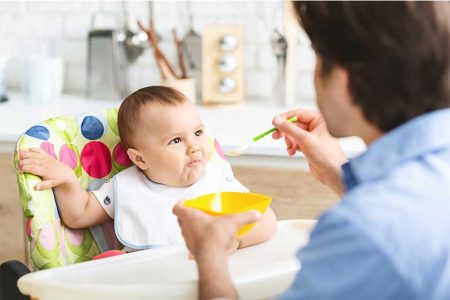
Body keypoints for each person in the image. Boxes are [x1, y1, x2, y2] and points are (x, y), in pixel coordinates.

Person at [173, 2, 450, 299]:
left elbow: (384, 230)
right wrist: (337, 172)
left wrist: (210, 255)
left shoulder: (361, 228)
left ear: (348, 83)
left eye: (317, 62)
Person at [18, 86, 277, 252]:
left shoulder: (216, 177)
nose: (195, 146)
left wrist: (234, 241)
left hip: (212, 281)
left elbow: (262, 218)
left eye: (198, 133)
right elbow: (81, 214)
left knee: (268, 219)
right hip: (149, 286)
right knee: (108, 264)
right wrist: (66, 180)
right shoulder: (126, 187)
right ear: (140, 160)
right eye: (176, 140)